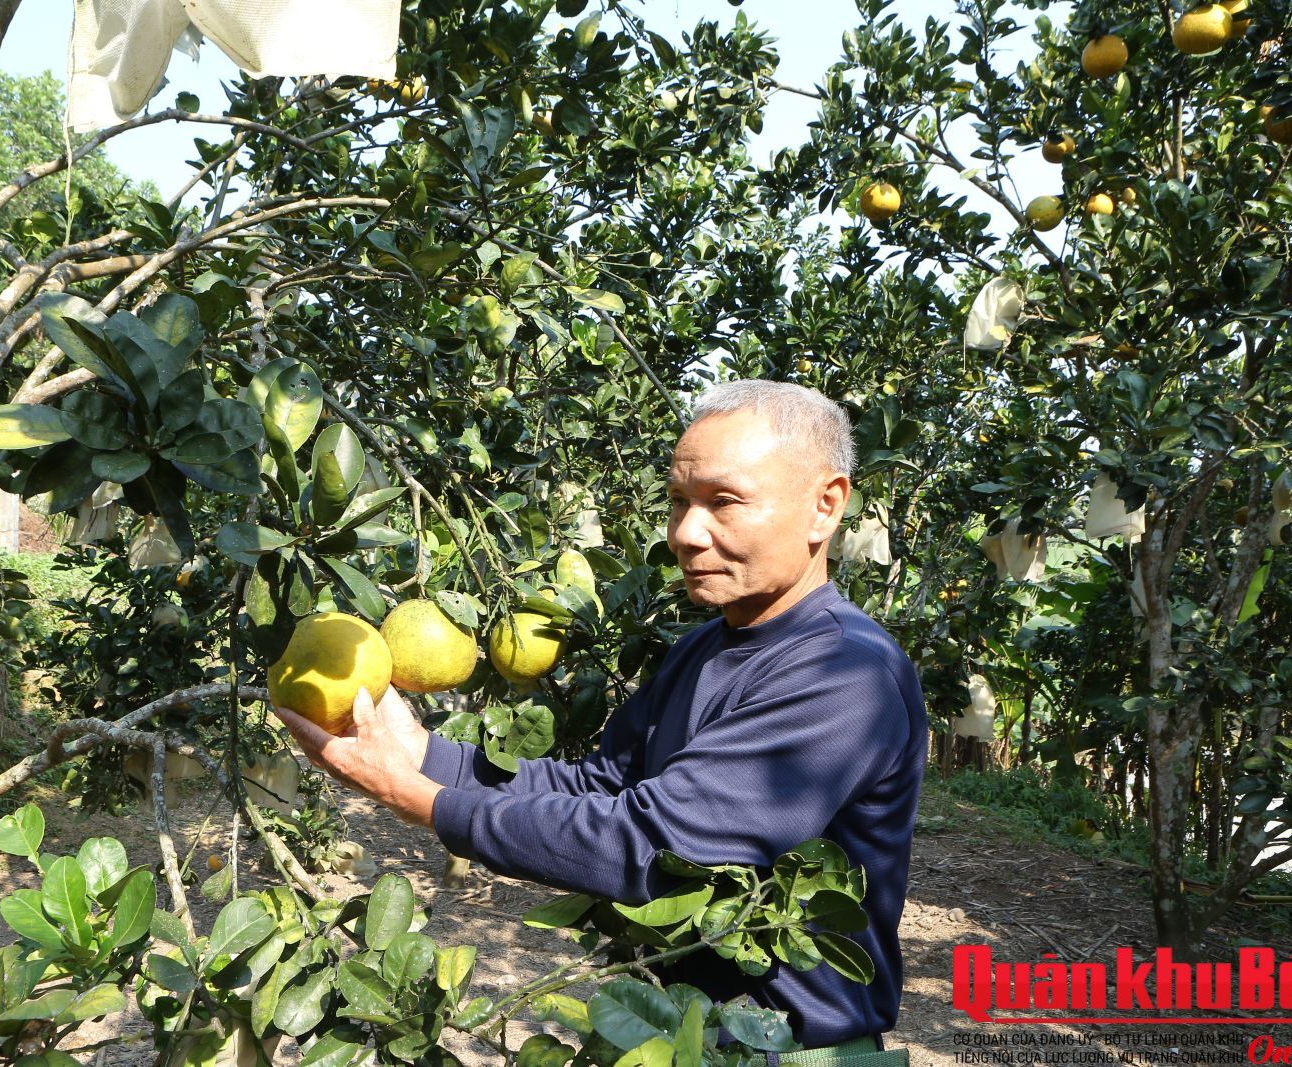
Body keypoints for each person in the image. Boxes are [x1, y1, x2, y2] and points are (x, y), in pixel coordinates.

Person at [276, 380, 927, 1063]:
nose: (685, 532)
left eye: (723, 502)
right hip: (682, 1033)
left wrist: (430, 804)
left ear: (826, 505)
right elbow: (600, 786)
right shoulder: (703, 648)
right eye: (678, 501)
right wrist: (428, 756)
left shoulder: (846, 675)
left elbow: (653, 840)